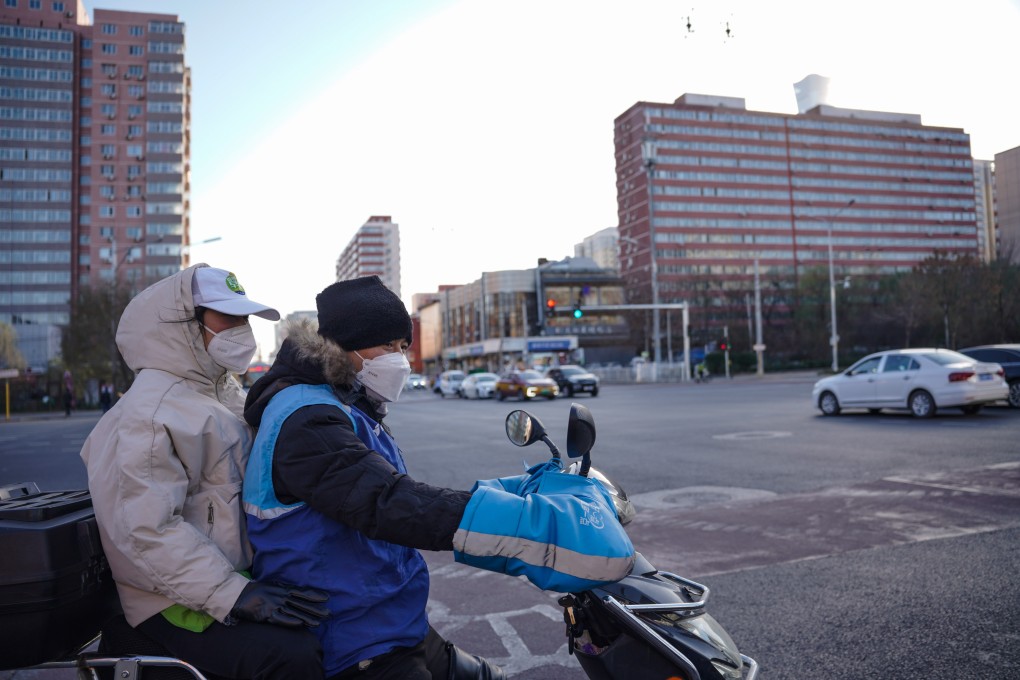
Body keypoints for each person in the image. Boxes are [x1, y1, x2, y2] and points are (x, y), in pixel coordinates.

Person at [242, 276, 506, 680]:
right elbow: (387, 501)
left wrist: (513, 493)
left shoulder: (347, 403)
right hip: (351, 636)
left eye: (403, 347)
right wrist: (507, 521)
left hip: (390, 619)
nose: (399, 359)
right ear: (348, 345)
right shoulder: (307, 416)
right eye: (387, 346)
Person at [80, 264, 329, 680]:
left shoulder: (223, 395)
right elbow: (144, 533)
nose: (241, 328)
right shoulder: (147, 414)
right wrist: (232, 593)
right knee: (293, 656)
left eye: (244, 318)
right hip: (168, 598)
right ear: (182, 323)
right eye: (227, 317)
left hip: (230, 577)